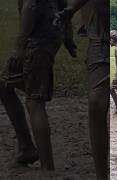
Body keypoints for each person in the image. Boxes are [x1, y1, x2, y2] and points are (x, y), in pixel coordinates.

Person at [0, 0, 76, 170]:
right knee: (5, 86)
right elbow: (64, 4)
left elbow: (31, 5)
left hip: (37, 39)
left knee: (35, 101)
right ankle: (26, 147)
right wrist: (67, 35)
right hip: (50, 33)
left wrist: (19, 47)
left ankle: (47, 168)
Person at [54, 0, 108, 179]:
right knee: (96, 104)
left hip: (112, 29)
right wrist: (71, 10)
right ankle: (102, 174)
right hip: (99, 34)